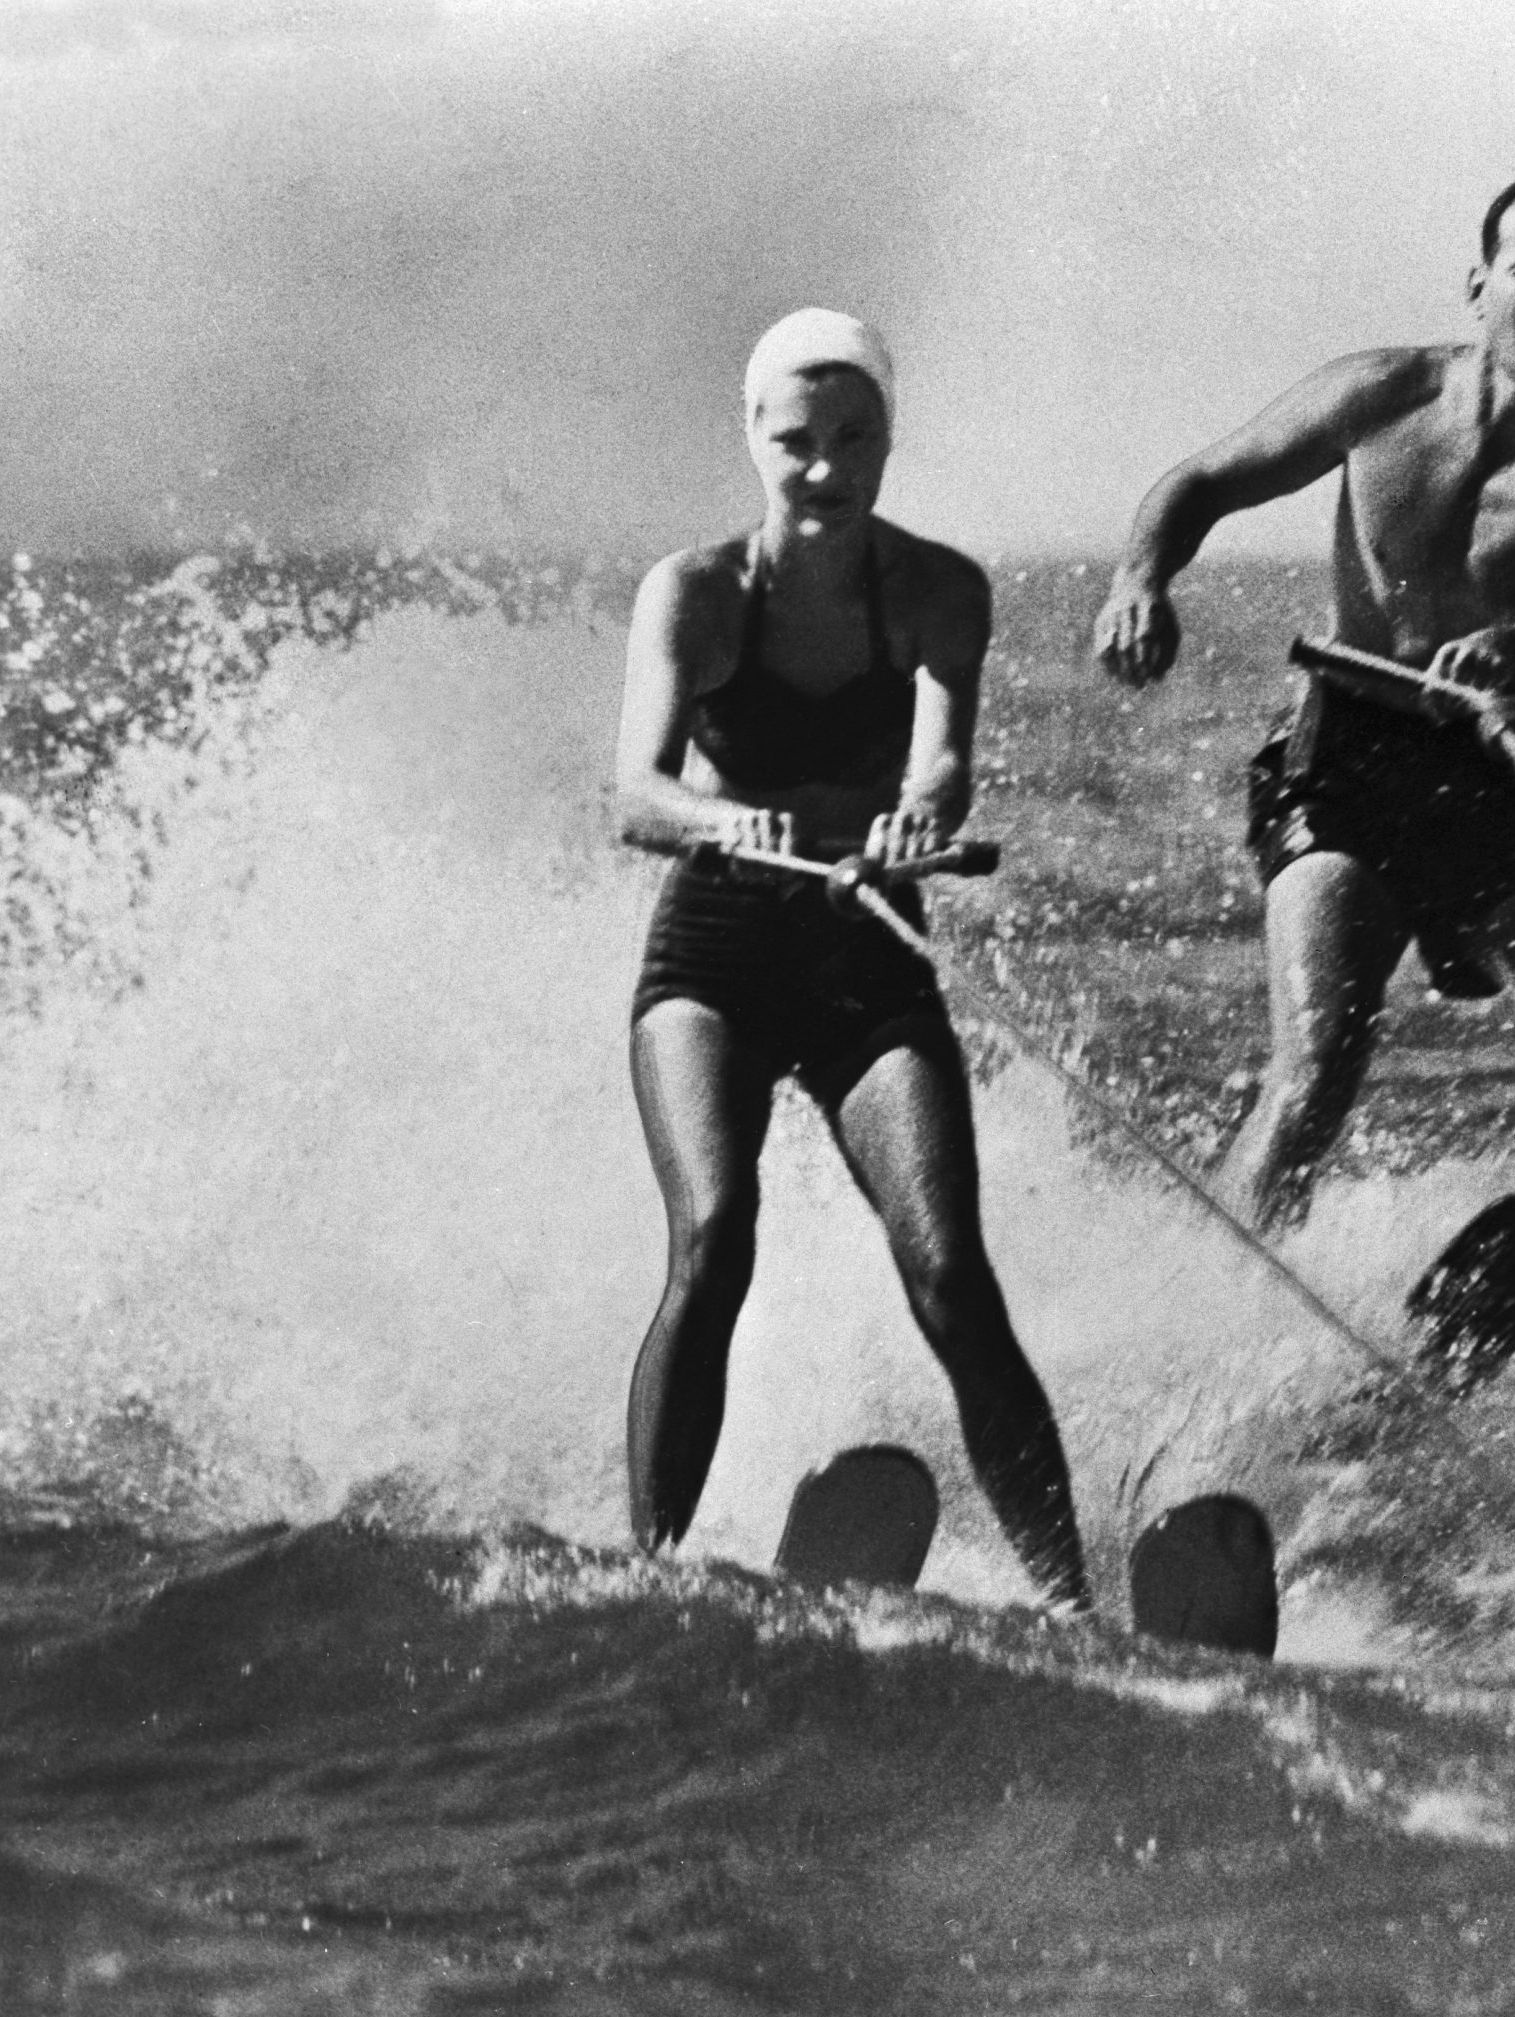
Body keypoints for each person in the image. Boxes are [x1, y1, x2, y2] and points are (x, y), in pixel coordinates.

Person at [1092, 169, 1515, 1285]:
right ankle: (1215, 1309)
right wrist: (1141, 581)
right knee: (1318, 1068)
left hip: (1499, 770)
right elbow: (1202, 483)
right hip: (1349, 766)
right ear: (1480, 286)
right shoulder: (1377, 395)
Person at [616, 308, 1090, 1608]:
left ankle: (1074, 1604)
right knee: (715, 1237)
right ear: (755, 442)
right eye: (796, 442)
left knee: (950, 1274)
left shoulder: (941, 591)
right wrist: (722, 818)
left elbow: (943, 759)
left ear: (888, 440)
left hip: (867, 958)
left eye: (854, 439)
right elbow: (634, 794)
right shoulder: (697, 593)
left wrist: (922, 813)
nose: (824, 469)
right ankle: (647, 1569)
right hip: (714, 959)